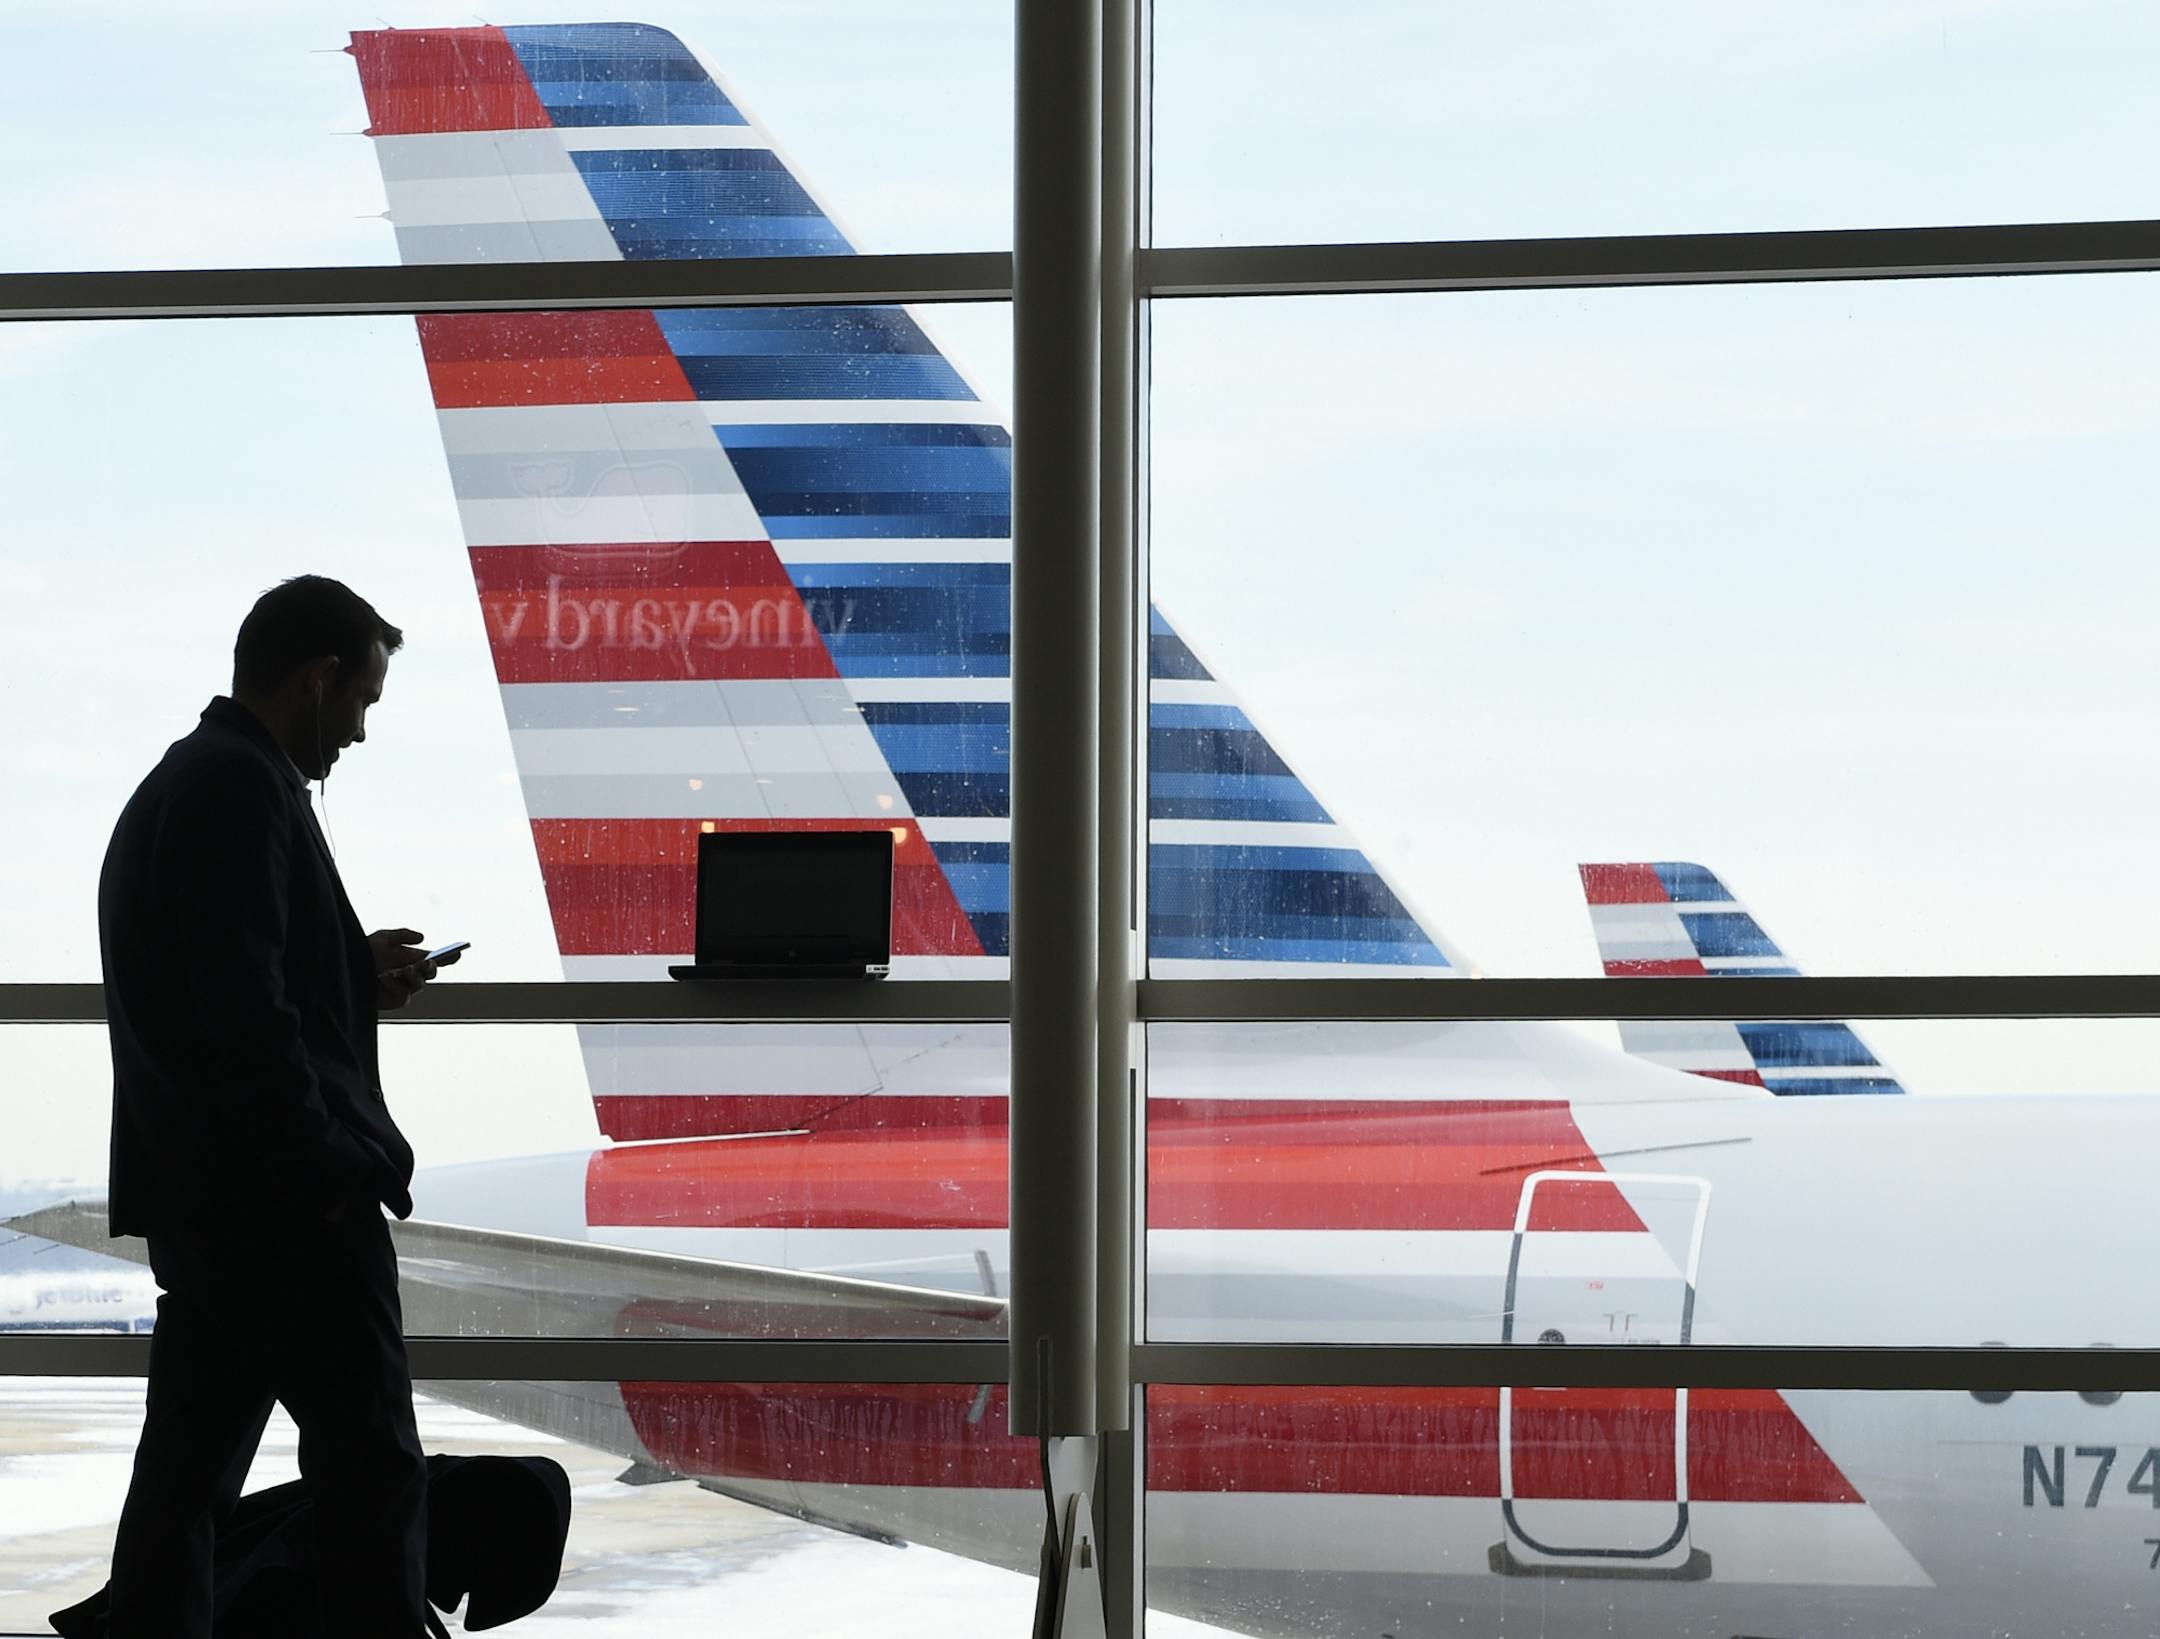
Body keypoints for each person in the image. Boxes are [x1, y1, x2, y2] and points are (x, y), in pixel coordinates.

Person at [96, 575, 457, 1638]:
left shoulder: (191, 781)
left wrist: (348, 964)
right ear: (318, 677)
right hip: (283, 1209)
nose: (358, 730)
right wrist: (335, 1162)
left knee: (186, 1486)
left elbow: (224, 968)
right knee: (372, 1470)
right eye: (362, 702)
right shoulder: (239, 791)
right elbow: (246, 1019)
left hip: (211, 1202)